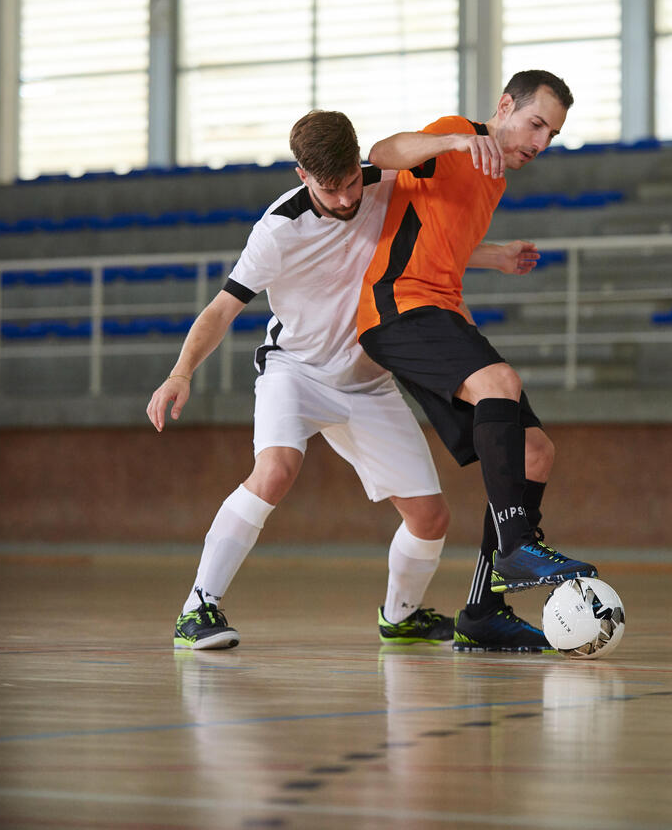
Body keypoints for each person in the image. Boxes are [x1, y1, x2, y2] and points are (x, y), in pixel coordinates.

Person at [147, 110, 456, 651]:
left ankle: (401, 617)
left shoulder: (383, 186)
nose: (344, 200)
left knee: (431, 517)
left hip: (367, 381)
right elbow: (221, 310)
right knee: (276, 469)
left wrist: (494, 256)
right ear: (302, 176)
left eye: (352, 182)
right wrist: (180, 372)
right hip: (296, 371)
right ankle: (198, 608)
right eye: (329, 189)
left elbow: (426, 239)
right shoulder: (277, 231)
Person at [357, 69, 597, 653]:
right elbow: (380, 153)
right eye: (536, 124)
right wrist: (452, 141)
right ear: (506, 106)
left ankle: (485, 611)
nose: (539, 143)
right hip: (397, 307)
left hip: (443, 311)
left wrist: (494, 256)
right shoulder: (456, 137)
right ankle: (516, 543)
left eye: (552, 135)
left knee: (536, 451)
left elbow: (440, 238)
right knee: (500, 382)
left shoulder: (494, 177)